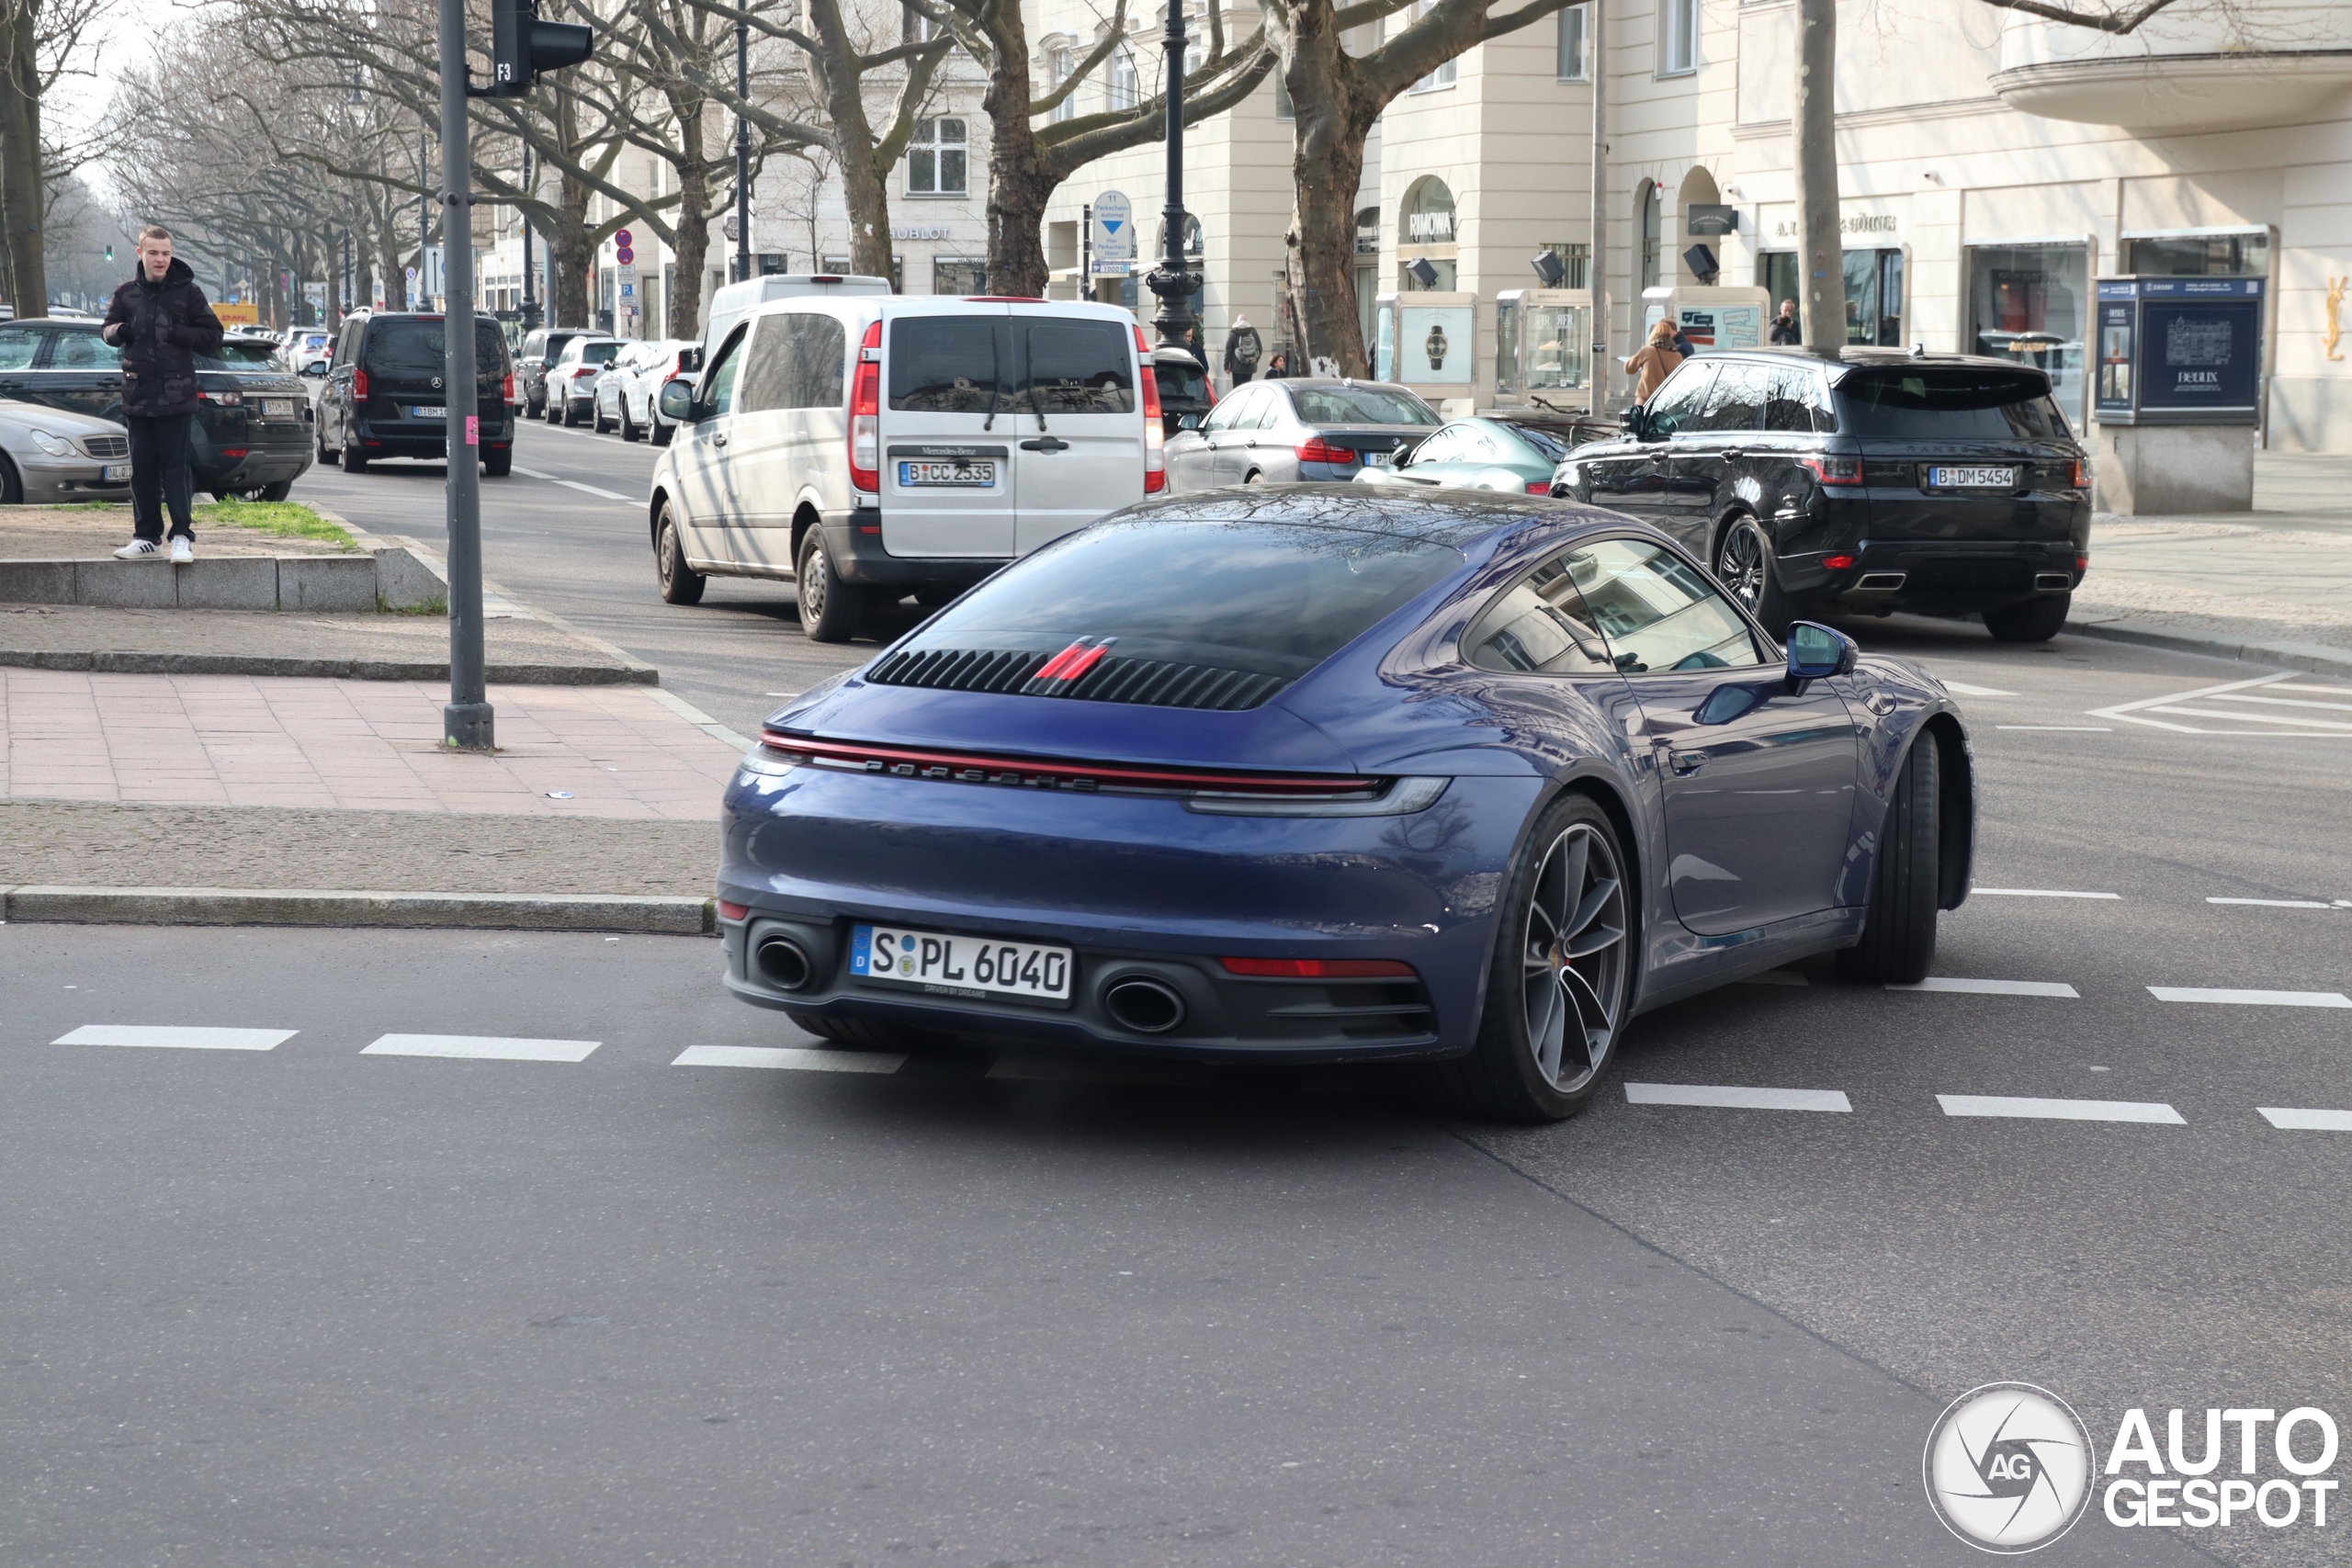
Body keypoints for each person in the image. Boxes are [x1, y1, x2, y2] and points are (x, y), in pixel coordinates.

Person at [101, 225, 222, 562]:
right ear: (140, 253)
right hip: (138, 394)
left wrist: (178, 332)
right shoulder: (126, 294)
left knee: (176, 468)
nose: (160, 259)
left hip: (177, 395)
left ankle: (182, 536)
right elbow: (106, 329)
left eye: (166, 253)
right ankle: (146, 537)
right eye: (153, 253)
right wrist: (122, 330)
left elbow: (214, 334)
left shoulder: (189, 293)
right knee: (141, 468)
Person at [1621, 318, 1687, 401]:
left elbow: (1629, 369)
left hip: (1645, 400)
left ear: (1654, 334)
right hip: (1667, 402)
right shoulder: (1677, 356)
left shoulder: (1647, 351)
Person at [1222, 313, 1262, 389]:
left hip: (1237, 367)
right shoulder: (1253, 332)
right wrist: (1254, 360)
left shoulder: (1233, 333)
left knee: (1237, 389)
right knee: (1247, 389)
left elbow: (1228, 351)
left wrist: (1226, 366)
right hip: (1250, 366)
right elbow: (1260, 348)